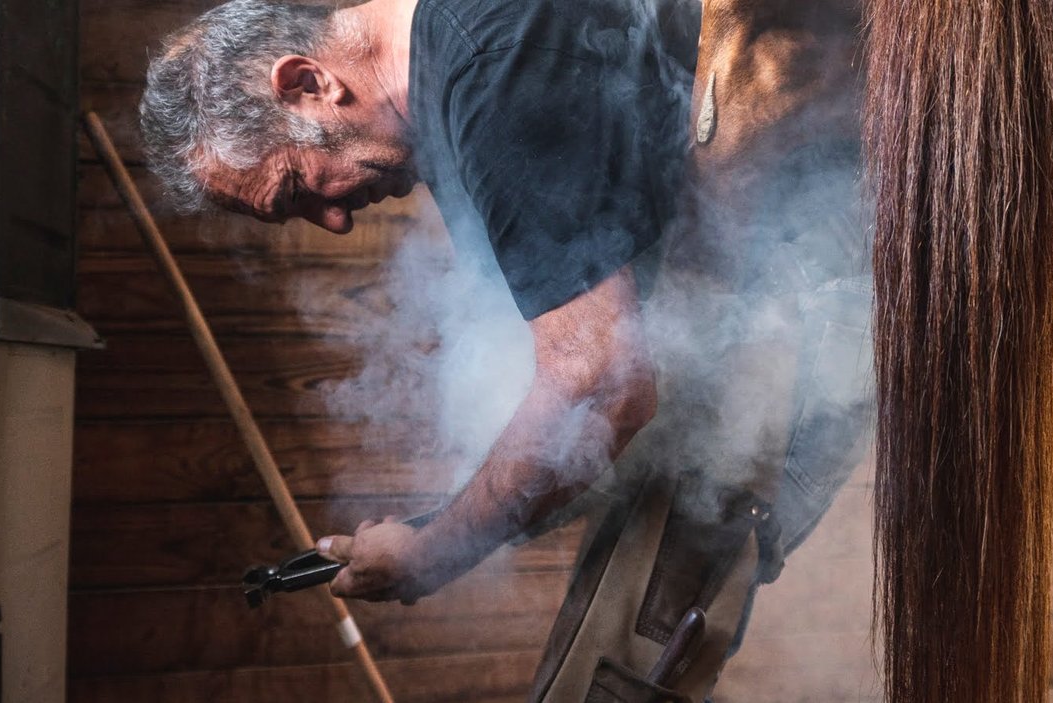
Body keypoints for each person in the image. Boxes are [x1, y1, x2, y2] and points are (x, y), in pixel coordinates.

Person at [140, 0, 872, 699]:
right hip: (744, 300)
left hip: (795, 289)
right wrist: (434, 527)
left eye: (296, 187)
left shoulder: (492, 74)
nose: (331, 220)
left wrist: (437, 552)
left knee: (619, 669)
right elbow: (591, 383)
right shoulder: (461, 70)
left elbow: (602, 386)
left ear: (307, 83)